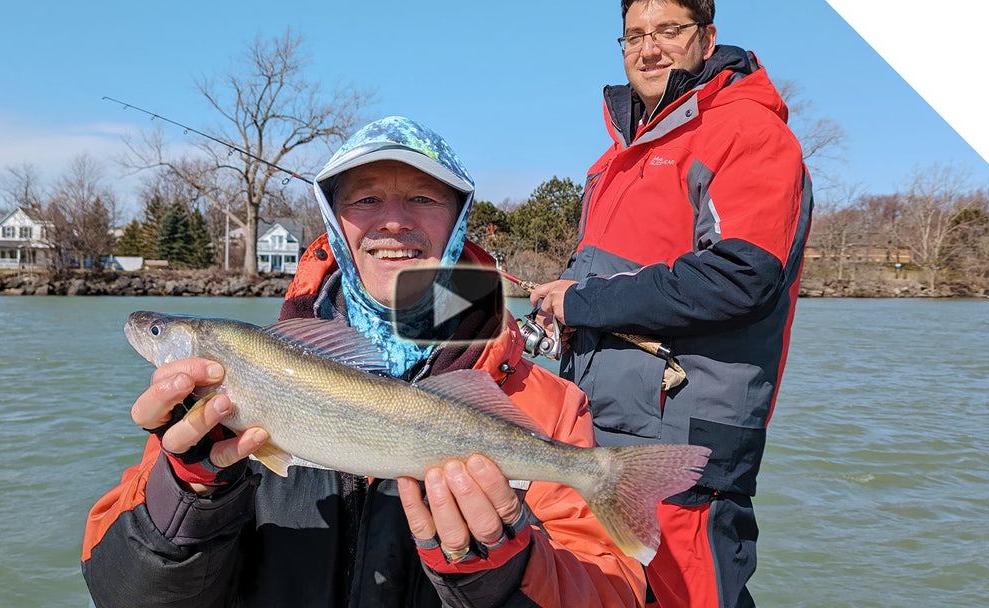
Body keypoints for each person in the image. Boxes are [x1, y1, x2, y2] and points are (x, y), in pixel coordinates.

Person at [81, 116, 649, 607]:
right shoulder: (209, 400)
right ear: (336, 221)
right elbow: (122, 594)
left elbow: (612, 592)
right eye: (365, 198)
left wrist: (503, 574)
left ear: (458, 222)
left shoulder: (550, 406)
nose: (393, 220)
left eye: (424, 198)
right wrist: (188, 494)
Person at [529, 2, 813, 607]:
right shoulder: (611, 160)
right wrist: (565, 308)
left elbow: (742, 276)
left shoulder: (749, 132)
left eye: (668, 31)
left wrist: (584, 302)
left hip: (684, 449)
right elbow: (619, 278)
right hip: (596, 441)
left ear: (707, 39)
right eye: (634, 35)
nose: (649, 48)